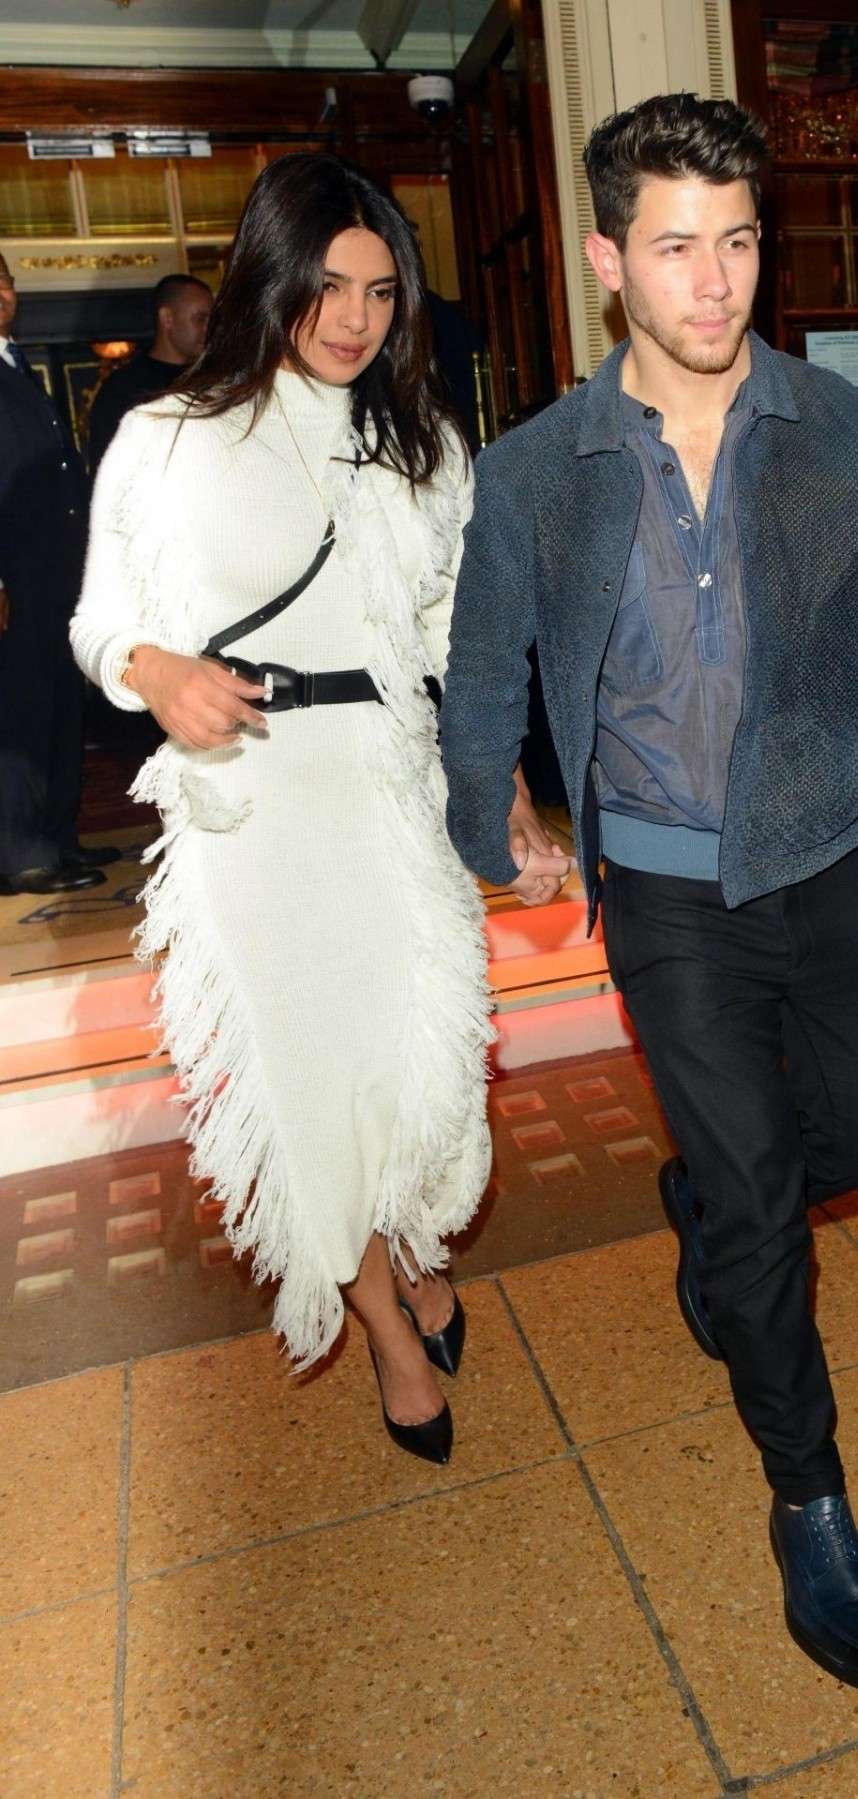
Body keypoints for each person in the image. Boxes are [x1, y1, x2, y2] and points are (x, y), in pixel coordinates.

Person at [439, 95, 858, 1682]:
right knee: (759, 1210)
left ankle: (714, 1215)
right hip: (667, 892)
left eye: (738, 240)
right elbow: (479, 674)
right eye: (678, 247)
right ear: (612, 260)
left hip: (828, 855)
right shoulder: (541, 470)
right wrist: (501, 808)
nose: (717, 280)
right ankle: (807, 1494)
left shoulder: (850, 431)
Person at [72, 153, 497, 1464]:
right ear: (270, 275)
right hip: (249, 811)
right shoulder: (167, 437)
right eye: (326, 284)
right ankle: (383, 1326)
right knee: (310, 1087)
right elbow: (101, 618)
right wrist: (155, 671)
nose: (355, 316)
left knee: (419, 1079)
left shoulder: (423, 446)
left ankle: (414, 1248)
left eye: (379, 289)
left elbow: (454, 635)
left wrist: (508, 792)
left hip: (384, 787)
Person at [0, 249, 117, 895]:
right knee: (16, 715)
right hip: (11, 580)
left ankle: (55, 838)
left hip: (53, 575)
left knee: (55, 706)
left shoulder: (15, 365)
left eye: (4, 279)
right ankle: (20, 854)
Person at [86, 273, 213, 473]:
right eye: (201, 319)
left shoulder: (213, 379)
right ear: (167, 318)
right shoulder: (122, 389)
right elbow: (109, 471)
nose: (209, 329)